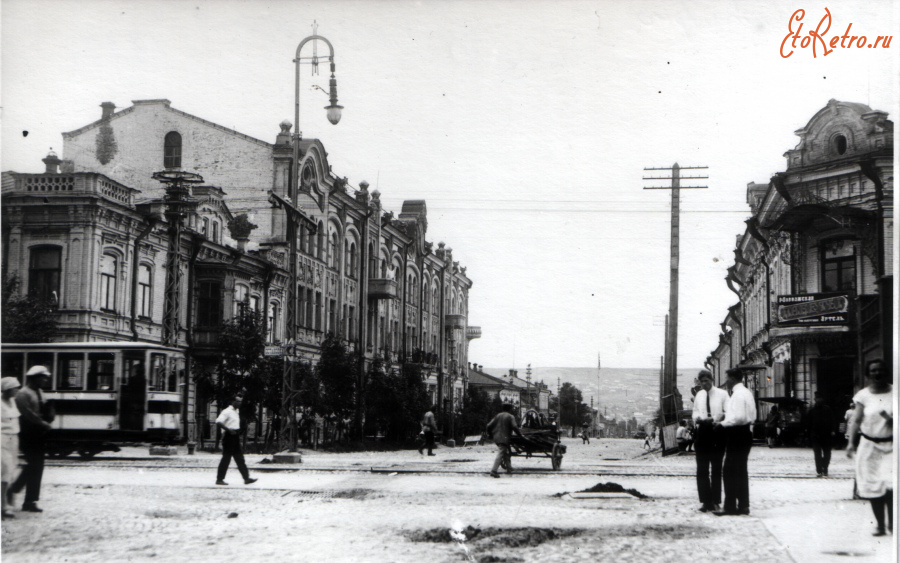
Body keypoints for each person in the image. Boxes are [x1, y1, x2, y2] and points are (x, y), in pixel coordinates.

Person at [846, 359, 893, 537]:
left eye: (880, 370)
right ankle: (880, 525)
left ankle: (892, 524)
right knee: (874, 487)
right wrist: (851, 443)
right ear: (868, 374)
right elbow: (856, 421)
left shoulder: (895, 392)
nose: (877, 373)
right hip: (869, 446)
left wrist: (890, 420)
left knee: (891, 485)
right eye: (873, 371)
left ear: (886, 372)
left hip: (892, 445)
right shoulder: (863, 396)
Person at [8, 366, 54, 513]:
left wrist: (49, 415)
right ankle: (14, 490)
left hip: (39, 433)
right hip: (28, 433)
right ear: (34, 378)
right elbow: (28, 415)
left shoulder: (40, 392)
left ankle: (30, 500)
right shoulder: (23, 394)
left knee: (37, 466)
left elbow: (44, 410)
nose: (45, 380)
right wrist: (43, 423)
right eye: (43, 377)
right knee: (34, 465)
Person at [714, 368, 757, 516]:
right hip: (744, 433)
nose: (726, 381)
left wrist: (722, 424)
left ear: (733, 378)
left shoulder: (738, 395)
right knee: (740, 471)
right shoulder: (746, 392)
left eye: (727, 378)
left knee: (729, 471)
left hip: (737, 434)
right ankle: (743, 505)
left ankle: (730, 506)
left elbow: (738, 418)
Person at [692, 369, 728, 513]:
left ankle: (716, 501)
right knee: (702, 469)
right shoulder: (699, 395)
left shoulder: (722, 394)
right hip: (702, 432)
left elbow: (728, 412)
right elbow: (695, 410)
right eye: (701, 381)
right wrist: (696, 418)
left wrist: (713, 418)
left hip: (716, 431)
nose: (704, 384)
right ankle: (705, 501)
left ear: (712, 380)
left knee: (716, 468)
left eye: (706, 381)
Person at [215, 394, 257, 486]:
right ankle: (219, 479)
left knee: (240, 458)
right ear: (233, 402)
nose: (240, 403)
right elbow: (218, 421)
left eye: (241, 401)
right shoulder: (227, 411)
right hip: (228, 436)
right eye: (238, 401)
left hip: (235, 436)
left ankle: (246, 478)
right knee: (226, 458)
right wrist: (228, 430)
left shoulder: (236, 411)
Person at [2, 377, 22, 519]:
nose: (17, 390)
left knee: (10, 472)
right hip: (2, 439)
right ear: (8, 389)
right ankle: (4, 506)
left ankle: (6, 504)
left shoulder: (13, 401)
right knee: (4, 471)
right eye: (15, 388)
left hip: (13, 439)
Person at [486, 403, 523, 478]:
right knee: (501, 452)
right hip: (504, 438)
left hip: (496, 437)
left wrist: (490, 435)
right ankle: (494, 470)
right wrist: (520, 435)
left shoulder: (498, 415)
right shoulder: (510, 416)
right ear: (510, 409)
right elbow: (515, 427)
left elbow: (488, 425)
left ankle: (509, 468)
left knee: (505, 452)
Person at [806, 392, 836, 477]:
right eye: (817, 399)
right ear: (815, 400)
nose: (819, 400)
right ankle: (819, 469)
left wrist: (833, 430)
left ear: (822, 400)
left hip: (826, 435)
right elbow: (808, 424)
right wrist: (808, 435)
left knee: (827, 453)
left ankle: (825, 467)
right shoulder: (811, 411)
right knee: (817, 454)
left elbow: (833, 420)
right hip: (815, 435)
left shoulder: (828, 409)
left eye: (820, 399)